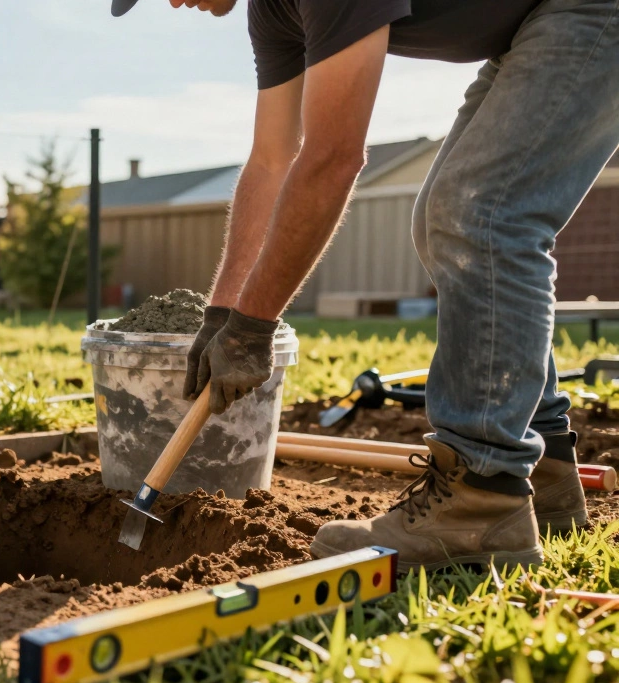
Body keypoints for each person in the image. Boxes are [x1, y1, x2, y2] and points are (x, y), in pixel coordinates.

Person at [111, 0, 619, 569]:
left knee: (481, 214)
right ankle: (544, 467)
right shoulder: (274, 13)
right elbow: (272, 159)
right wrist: (224, 310)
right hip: (532, 25)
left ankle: (483, 494)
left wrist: (254, 325)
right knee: (443, 221)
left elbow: (333, 157)